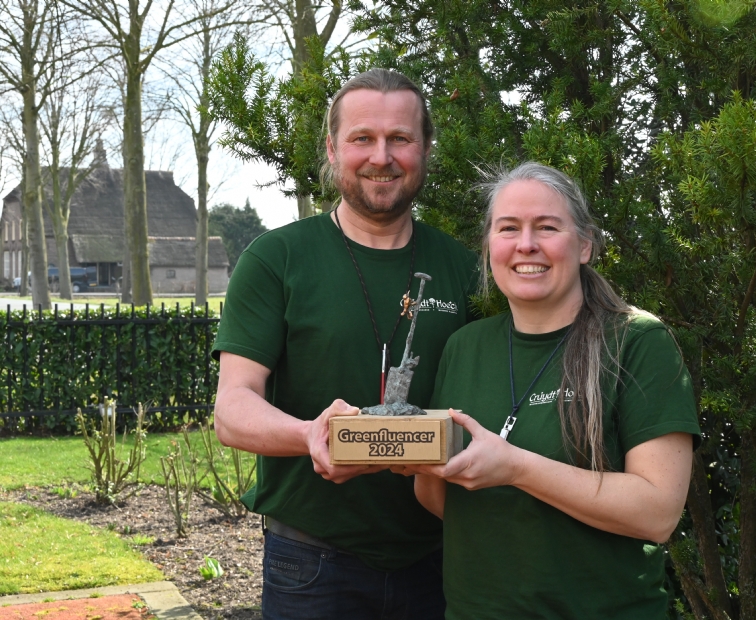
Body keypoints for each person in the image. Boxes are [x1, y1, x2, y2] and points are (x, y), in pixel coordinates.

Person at [211, 69, 478, 620]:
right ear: (333, 150)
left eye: (400, 138)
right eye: (362, 138)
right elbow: (233, 412)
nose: (381, 156)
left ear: (425, 148)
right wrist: (310, 434)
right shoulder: (276, 260)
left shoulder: (464, 269)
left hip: (442, 556)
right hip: (312, 561)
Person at [410, 162, 702, 619]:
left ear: (585, 245)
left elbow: (657, 513)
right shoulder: (464, 347)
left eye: (547, 227)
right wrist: (407, 455)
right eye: (508, 228)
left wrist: (515, 468)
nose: (526, 244)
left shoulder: (636, 342)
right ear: (489, 246)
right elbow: (439, 502)